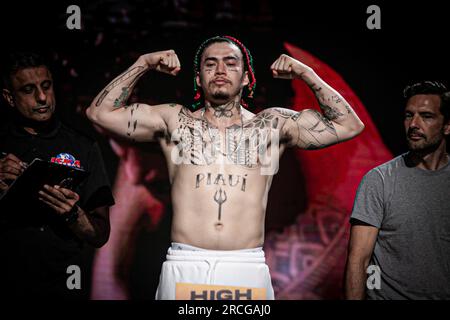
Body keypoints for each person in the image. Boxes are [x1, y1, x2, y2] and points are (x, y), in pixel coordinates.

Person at [86, 35, 364, 300]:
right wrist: (143, 64)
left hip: (245, 263)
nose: (220, 69)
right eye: (210, 63)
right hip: (185, 261)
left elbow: (349, 125)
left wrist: (306, 73)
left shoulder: (271, 125)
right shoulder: (174, 121)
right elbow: (99, 113)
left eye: (230, 63)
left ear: (245, 78)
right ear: (199, 78)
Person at [0, 52, 115, 299]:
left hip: (63, 287)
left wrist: (73, 214)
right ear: (9, 98)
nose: (42, 97)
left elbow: (100, 234)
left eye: (46, 86)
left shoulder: (84, 147)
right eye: (28, 90)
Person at [344, 81, 450, 300]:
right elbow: (358, 260)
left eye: (426, 116)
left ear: (447, 126)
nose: (414, 124)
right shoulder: (379, 180)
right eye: (409, 115)